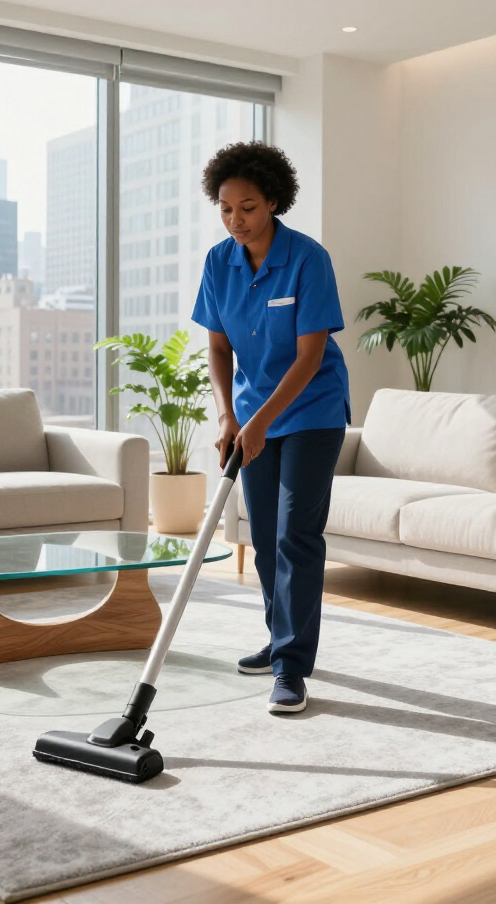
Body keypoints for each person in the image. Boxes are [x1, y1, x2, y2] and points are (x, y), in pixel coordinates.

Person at [192, 142, 350, 714]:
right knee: (262, 538)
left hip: (310, 411)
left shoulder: (308, 259)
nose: (237, 220)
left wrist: (259, 421)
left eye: (249, 207)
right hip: (252, 414)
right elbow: (216, 345)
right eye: (227, 208)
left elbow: (310, 358)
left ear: (275, 202)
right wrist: (228, 415)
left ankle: (290, 666)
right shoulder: (219, 262)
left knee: (295, 536)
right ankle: (280, 636)